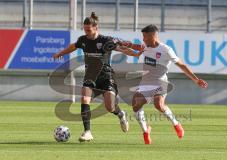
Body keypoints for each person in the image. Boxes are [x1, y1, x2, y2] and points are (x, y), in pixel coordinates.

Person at [53, 12, 139, 142]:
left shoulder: (105, 41)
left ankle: (121, 114)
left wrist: (135, 54)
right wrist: (61, 53)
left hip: (106, 77)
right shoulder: (83, 40)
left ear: (96, 28)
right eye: (85, 29)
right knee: (85, 99)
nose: (86, 32)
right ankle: (87, 132)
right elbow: (73, 46)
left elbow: (122, 49)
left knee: (110, 107)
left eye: (88, 30)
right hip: (90, 77)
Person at [122, 24, 208, 144]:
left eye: (145, 36)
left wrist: (196, 79)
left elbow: (181, 65)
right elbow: (137, 46)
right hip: (146, 83)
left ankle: (176, 124)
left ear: (153, 36)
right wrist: (125, 44)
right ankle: (146, 131)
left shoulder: (165, 49)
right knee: (135, 105)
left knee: (159, 105)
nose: (143, 39)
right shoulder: (145, 46)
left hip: (160, 82)